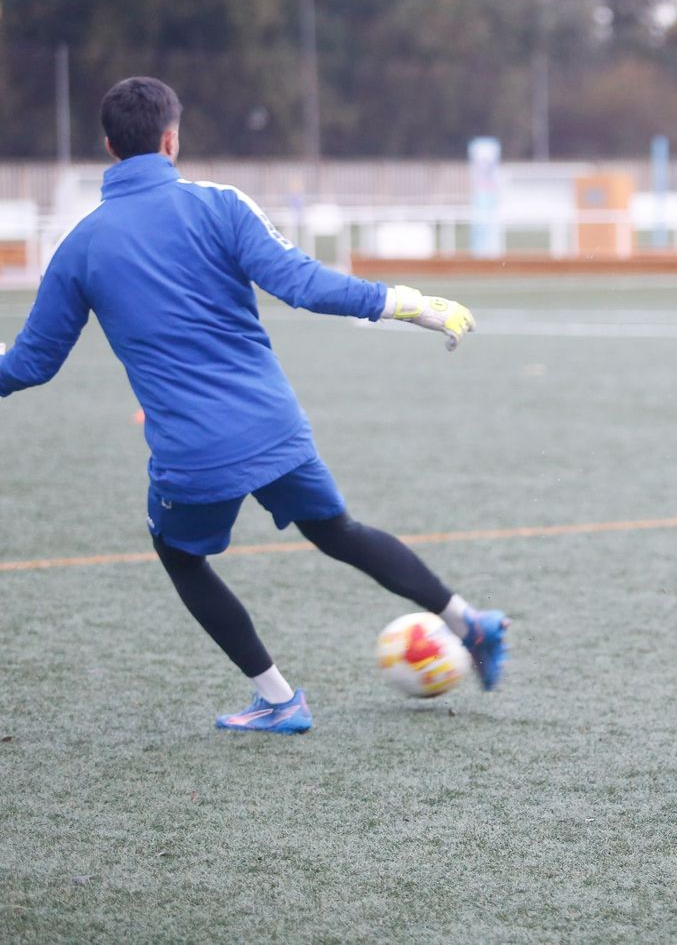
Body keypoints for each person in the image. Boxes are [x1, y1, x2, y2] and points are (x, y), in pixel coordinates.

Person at [0, 76, 507, 734]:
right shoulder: (221, 205)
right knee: (337, 531)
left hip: (194, 453)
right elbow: (302, 284)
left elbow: (31, 365)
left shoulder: (80, 247)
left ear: (108, 146)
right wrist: (410, 304)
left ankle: (279, 699)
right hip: (275, 428)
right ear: (171, 139)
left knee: (180, 555)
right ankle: (471, 623)